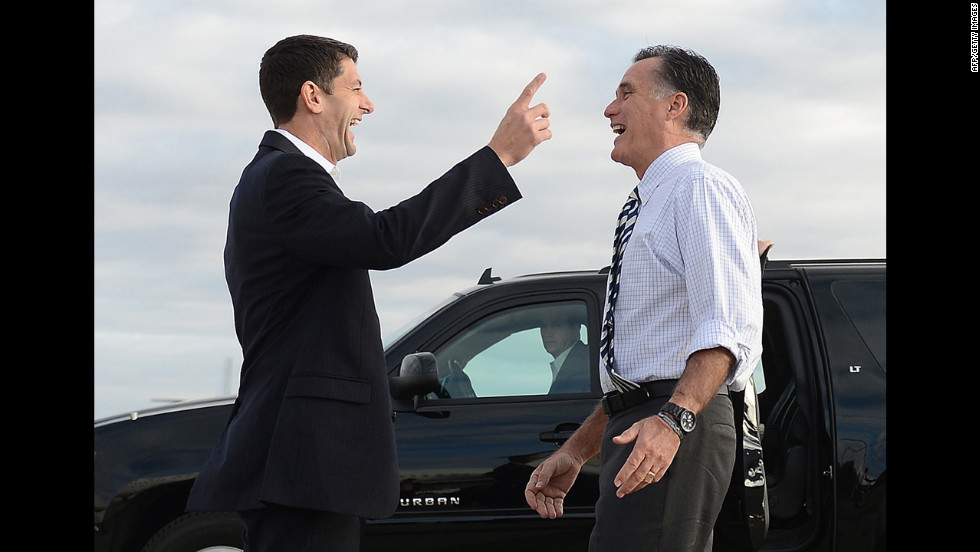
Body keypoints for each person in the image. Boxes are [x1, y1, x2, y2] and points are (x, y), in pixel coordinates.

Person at [185, 35, 551, 551]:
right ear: (313, 96)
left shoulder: (279, 176)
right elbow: (385, 239)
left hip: (303, 464)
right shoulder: (286, 175)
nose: (368, 103)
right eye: (355, 88)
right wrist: (497, 158)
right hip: (304, 462)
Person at [523, 45, 763, 552]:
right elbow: (640, 369)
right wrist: (576, 450)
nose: (610, 110)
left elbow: (726, 328)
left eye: (625, 94)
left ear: (675, 106)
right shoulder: (651, 202)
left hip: (675, 419)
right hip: (647, 418)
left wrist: (675, 419)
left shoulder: (699, 187)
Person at [539, 311, 590, 394]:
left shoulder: (586, 364)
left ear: (576, 329)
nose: (547, 334)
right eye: (544, 326)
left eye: (556, 326)